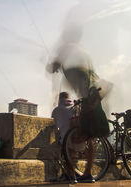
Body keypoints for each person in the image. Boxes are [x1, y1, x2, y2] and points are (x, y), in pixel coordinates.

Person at [47, 24, 110, 183]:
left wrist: (54, 64)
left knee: (81, 136)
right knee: (85, 136)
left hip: (90, 97)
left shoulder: (67, 49)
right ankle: (79, 173)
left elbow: (53, 68)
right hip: (92, 95)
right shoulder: (82, 52)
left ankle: (80, 173)